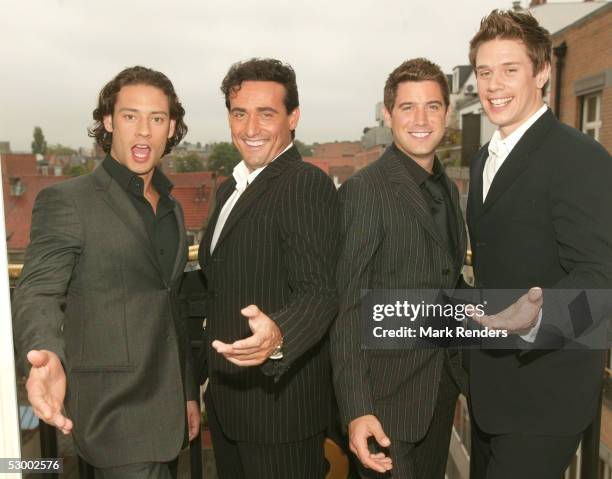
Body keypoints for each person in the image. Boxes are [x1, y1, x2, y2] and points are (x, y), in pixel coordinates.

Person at [12, 66, 200, 479]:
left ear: (172, 128)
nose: (145, 131)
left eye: (158, 119)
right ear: (108, 122)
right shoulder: (68, 202)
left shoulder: (171, 206)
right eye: (131, 116)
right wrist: (43, 355)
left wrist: (187, 393)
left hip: (166, 414)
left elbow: (172, 305)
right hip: (113, 417)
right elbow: (38, 291)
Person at [466, 10, 612, 478]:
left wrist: (538, 315)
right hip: (490, 393)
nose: (494, 85)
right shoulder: (481, 159)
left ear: (542, 72)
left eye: (510, 70)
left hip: (546, 398)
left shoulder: (580, 157)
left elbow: (601, 277)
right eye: (485, 72)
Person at [197, 58, 339, 479]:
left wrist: (279, 335)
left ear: (293, 117)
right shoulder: (230, 189)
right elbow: (219, 283)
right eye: (240, 113)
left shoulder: (303, 183)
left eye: (267, 113)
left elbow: (320, 291)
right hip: (227, 405)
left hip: (280, 414)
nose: (250, 128)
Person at [331, 58, 468, 478]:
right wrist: (357, 410)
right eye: (408, 107)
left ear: (447, 112)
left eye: (432, 106)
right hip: (384, 406)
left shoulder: (447, 187)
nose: (421, 119)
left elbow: (449, 284)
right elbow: (346, 308)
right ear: (388, 115)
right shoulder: (365, 191)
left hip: (439, 395)